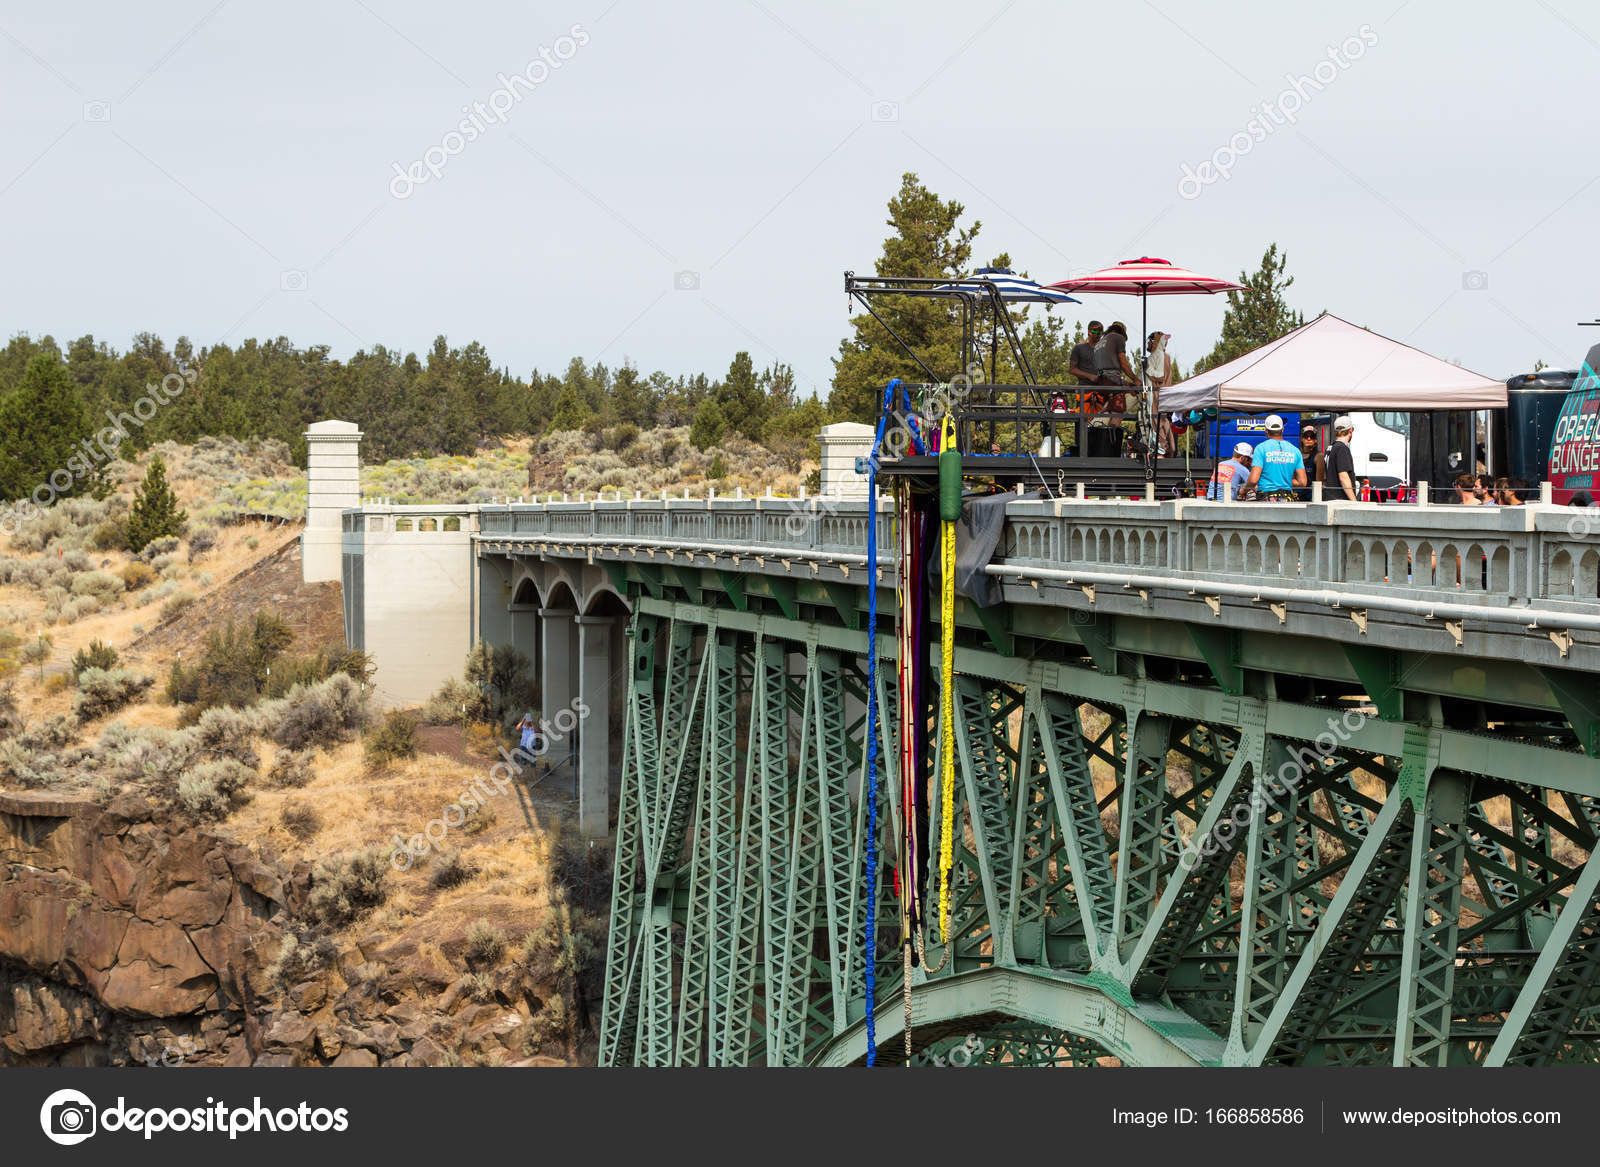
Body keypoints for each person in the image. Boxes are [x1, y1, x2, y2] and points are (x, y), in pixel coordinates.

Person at [1244, 415, 1306, 501]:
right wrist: (1284, 480)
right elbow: (1302, 482)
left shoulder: (1261, 448)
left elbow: (1253, 480)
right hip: (1287, 499)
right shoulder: (1295, 451)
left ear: (1266, 430)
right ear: (1282, 429)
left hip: (1266, 498)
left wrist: (1243, 490)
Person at [1324, 416, 1358, 500]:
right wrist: (1354, 501)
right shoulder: (1342, 448)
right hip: (1340, 500)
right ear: (1350, 430)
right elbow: (1343, 477)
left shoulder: (1330, 448)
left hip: (1330, 497)